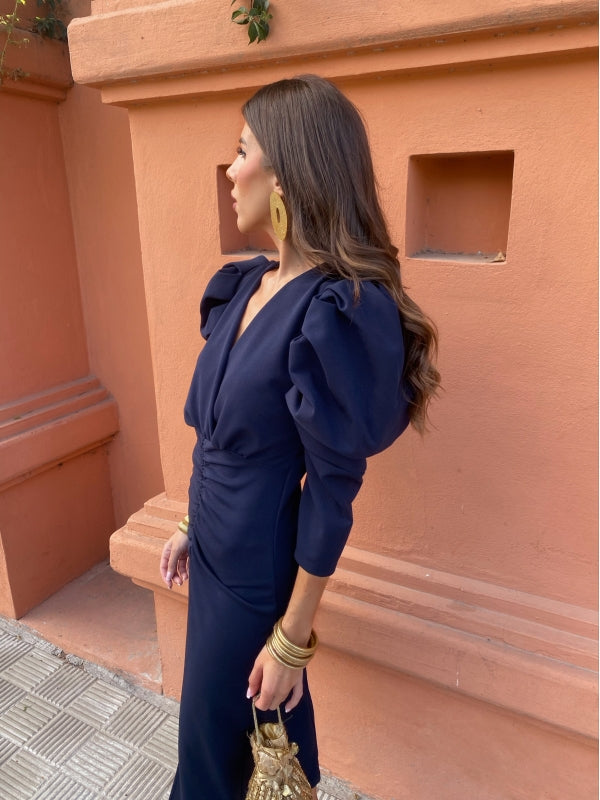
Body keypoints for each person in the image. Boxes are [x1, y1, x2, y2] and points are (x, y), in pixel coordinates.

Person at [160, 74, 440, 800]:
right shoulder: (246, 286)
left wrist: (292, 639)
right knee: (235, 747)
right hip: (212, 556)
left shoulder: (331, 313)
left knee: (215, 758)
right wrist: (190, 522)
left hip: (255, 579)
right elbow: (220, 437)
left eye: (242, 150)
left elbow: (332, 493)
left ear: (285, 171)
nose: (230, 171)